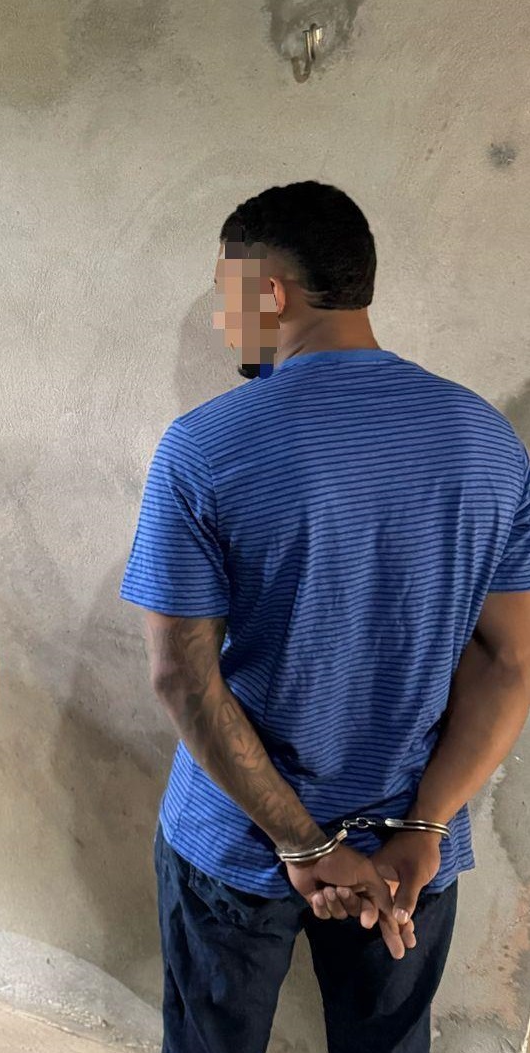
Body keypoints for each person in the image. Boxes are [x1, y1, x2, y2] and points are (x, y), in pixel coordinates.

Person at [121, 180, 530, 1053]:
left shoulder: (204, 446)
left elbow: (181, 675)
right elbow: (509, 663)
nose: (227, 323)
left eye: (225, 295)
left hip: (235, 840)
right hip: (411, 846)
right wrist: (423, 829)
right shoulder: (488, 443)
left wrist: (303, 846)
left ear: (269, 291)